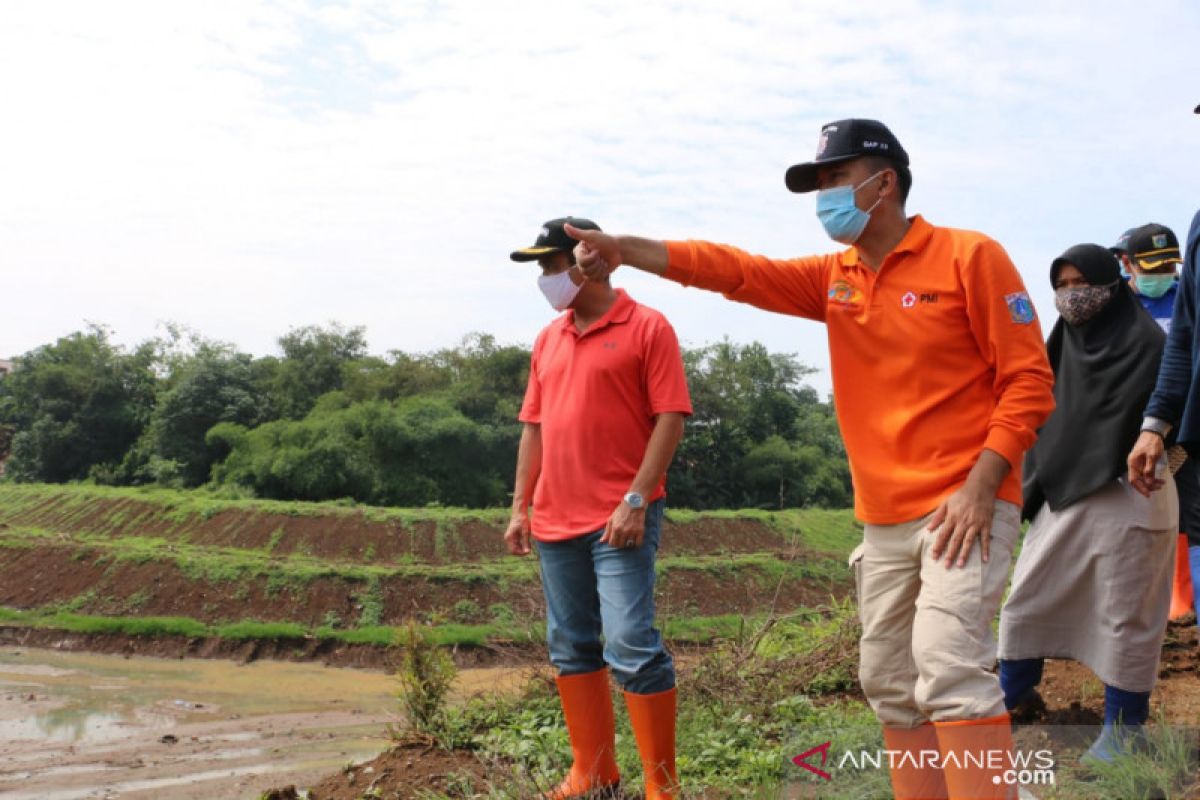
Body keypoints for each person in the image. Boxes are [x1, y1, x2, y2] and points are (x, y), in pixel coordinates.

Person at [567, 119, 1055, 799]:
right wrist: (626, 249)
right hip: (884, 518)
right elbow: (735, 271)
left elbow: (1030, 382)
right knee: (888, 680)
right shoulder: (836, 279)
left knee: (947, 667)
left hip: (962, 505)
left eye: (833, 178)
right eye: (817, 183)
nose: (822, 194)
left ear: (884, 183)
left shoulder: (970, 257)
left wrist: (981, 486)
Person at [504, 216, 693, 800]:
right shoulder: (549, 338)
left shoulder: (647, 327)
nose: (546, 277)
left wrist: (636, 499)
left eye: (552, 264)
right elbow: (533, 427)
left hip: (620, 520)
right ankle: (594, 774)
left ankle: (662, 787)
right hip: (556, 518)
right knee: (572, 646)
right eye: (542, 267)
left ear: (589, 260)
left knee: (632, 644)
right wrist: (520, 506)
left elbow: (671, 417)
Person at [998, 244, 1178, 762]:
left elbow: (1182, 419)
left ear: (1112, 285)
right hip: (1063, 494)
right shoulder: (1060, 348)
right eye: (1064, 284)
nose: (1074, 296)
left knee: (1126, 616)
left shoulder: (1152, 347)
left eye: (1084, 283)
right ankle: (1012, 696)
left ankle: (1122, 731)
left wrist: (1166, 463)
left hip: (1134, 496)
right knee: (1026, 599)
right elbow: (1043, 416)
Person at [1122, 224, 1199, 624]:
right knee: (1137, 508)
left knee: (1184, 507)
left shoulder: (1182, 294)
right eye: (1151, 267)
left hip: (1183, 426)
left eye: (1169, 265)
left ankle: (1180, 600)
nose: (1161, 274)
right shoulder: (1117, 305)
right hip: (1135, 427)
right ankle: (1139, 599)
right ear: (1128, 265)